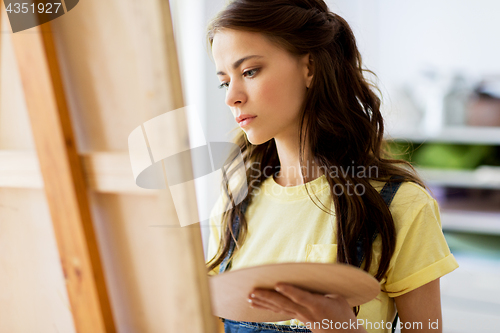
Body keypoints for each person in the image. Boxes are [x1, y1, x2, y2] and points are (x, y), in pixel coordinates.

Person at [205, 1, 459, 332]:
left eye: (250, 71)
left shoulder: (400, 205)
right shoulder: (233, 200)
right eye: (225, 81)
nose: (232, 97)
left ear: (309, 67)